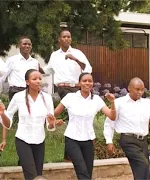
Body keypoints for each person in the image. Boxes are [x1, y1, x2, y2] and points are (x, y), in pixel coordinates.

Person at [53, 72, 116, 180]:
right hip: (72, 139)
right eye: (84, 81)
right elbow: (52, 115)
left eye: (90, 81)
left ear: (93, 83)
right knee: (82, 171)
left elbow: (112, 116)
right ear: (79, 83)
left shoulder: (96, 100)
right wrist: (55, 122)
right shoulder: (70, 97)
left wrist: (112, 102)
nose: (87, 83)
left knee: (87, 172)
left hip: (88, 140)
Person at [43, 29, 92, 161]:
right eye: (64, 37)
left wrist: (75, 59)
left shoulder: (77, 53)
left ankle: (71, 152)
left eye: (69, 37)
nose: (67, 39)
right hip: (62, 89)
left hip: (76, 88)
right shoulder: (54, 55)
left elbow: (88, 69)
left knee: (75, 118)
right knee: (74, 116)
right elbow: (46, 71)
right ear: (59, 39)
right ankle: (70, 153)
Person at [103, 77, 150, 180]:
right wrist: (109, 141)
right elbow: (109, 123)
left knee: (143, 168)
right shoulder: (119, 103)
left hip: (143, 140)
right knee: (142, 164)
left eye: (142, 89)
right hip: (128, 140)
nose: (140, 92)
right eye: (137, 89)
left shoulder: (147, 103)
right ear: (129, 88)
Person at [6, 69, 57, 180]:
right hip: (23, 139)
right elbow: (8, 116)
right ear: (27, 82)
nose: (38, 81)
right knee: (31, 175)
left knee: (38, 175)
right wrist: (2, 117)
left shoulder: (47, 98)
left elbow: (50, 125)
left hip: (40, 140)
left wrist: (52, 123)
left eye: (40, 78)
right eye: (34, 79)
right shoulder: (18, 97)